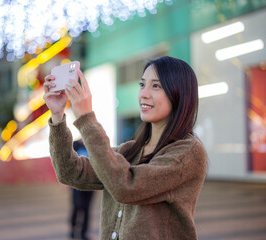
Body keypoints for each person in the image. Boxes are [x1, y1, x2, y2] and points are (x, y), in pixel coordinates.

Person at [43, 56, 207, 240]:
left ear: (179, 93)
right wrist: (57, 116)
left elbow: (126, 186)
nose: (144, 93)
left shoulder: (188, 152)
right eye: (142, 84)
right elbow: (70, 172)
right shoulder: (130, 150)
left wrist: (87, 118)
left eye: (156, 86)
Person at [70, 139, 94, 240]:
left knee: (87, 209)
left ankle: (83, 233)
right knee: (77, 206)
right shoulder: (75, 145)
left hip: (90, 183)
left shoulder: (92, 145)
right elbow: (69, 163)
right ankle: (73, 230)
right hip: (76, 183)